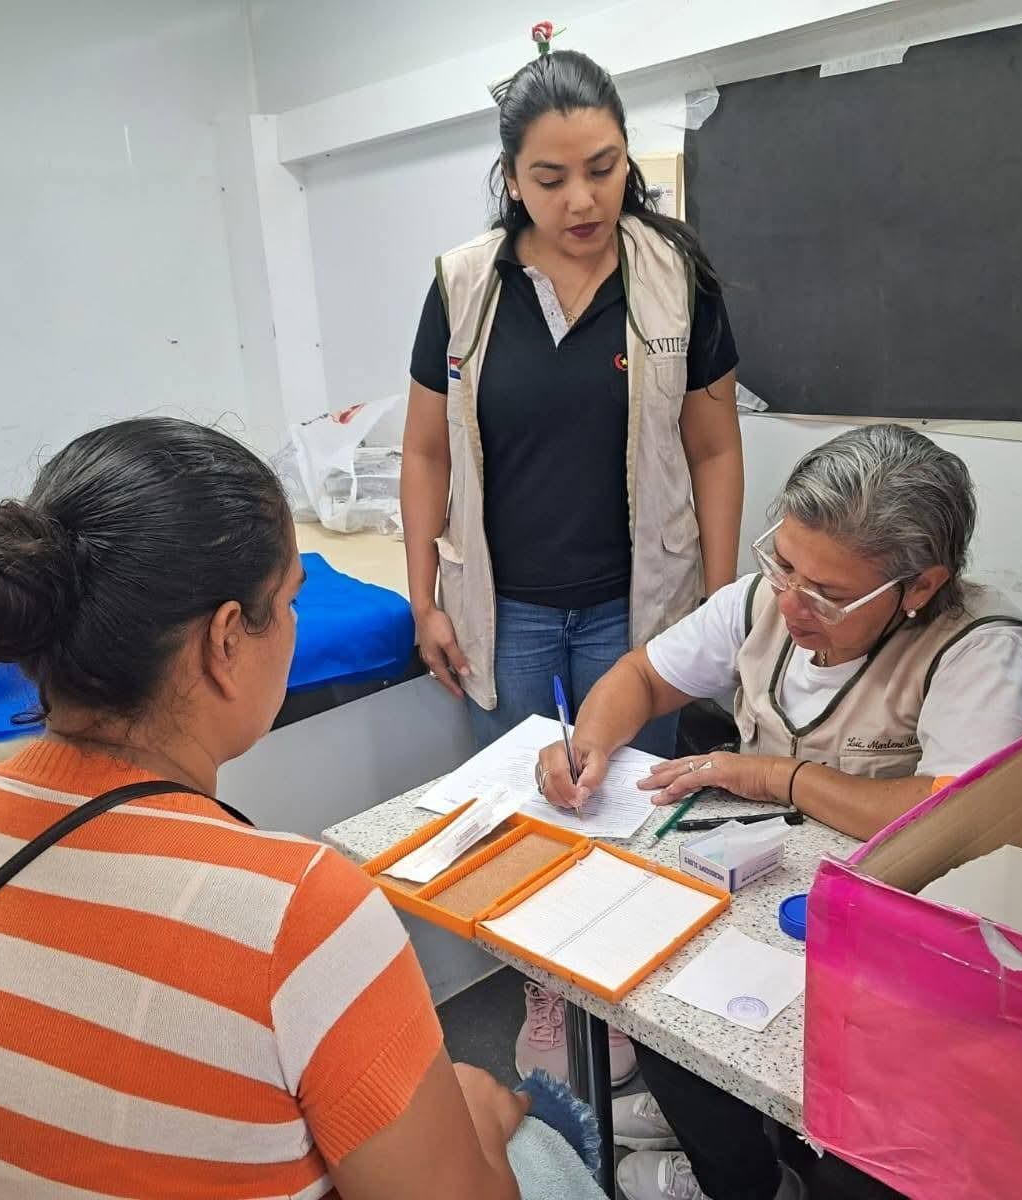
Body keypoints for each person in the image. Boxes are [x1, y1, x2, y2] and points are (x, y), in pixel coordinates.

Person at [0, 418, 530, 1200]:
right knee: (537, 1146)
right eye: (290, 601)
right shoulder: (297, 913)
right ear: (225, 641)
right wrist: (480, 1121)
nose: (298, 625)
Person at [536, 424, 1022, 1200]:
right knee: (657, 1002)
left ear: (918, 586)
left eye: (828, 594)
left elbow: (953, 815)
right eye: (783, 564)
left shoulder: (983, 653)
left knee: (859, 1154)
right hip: (764, 898)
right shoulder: (762, 601)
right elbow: (643, 678)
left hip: (900, 940)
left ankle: (782, 1148)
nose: (792, 602)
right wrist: (589, 743)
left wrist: (775, 777)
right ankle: (739, 1171)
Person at [401, 39, 744, 1088]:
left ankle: (623, 1004)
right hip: (503, 608)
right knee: (523, 819)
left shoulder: (671, 275)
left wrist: (720, 610)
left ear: (625, 158)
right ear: (511, 177)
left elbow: (715, 446)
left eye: (601, 166)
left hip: (632, 610)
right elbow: (421, 452)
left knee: (629, 816)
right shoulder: (463, 285)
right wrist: (424, 599)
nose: (581, 197)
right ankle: (549, 998)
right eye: (550, 178)